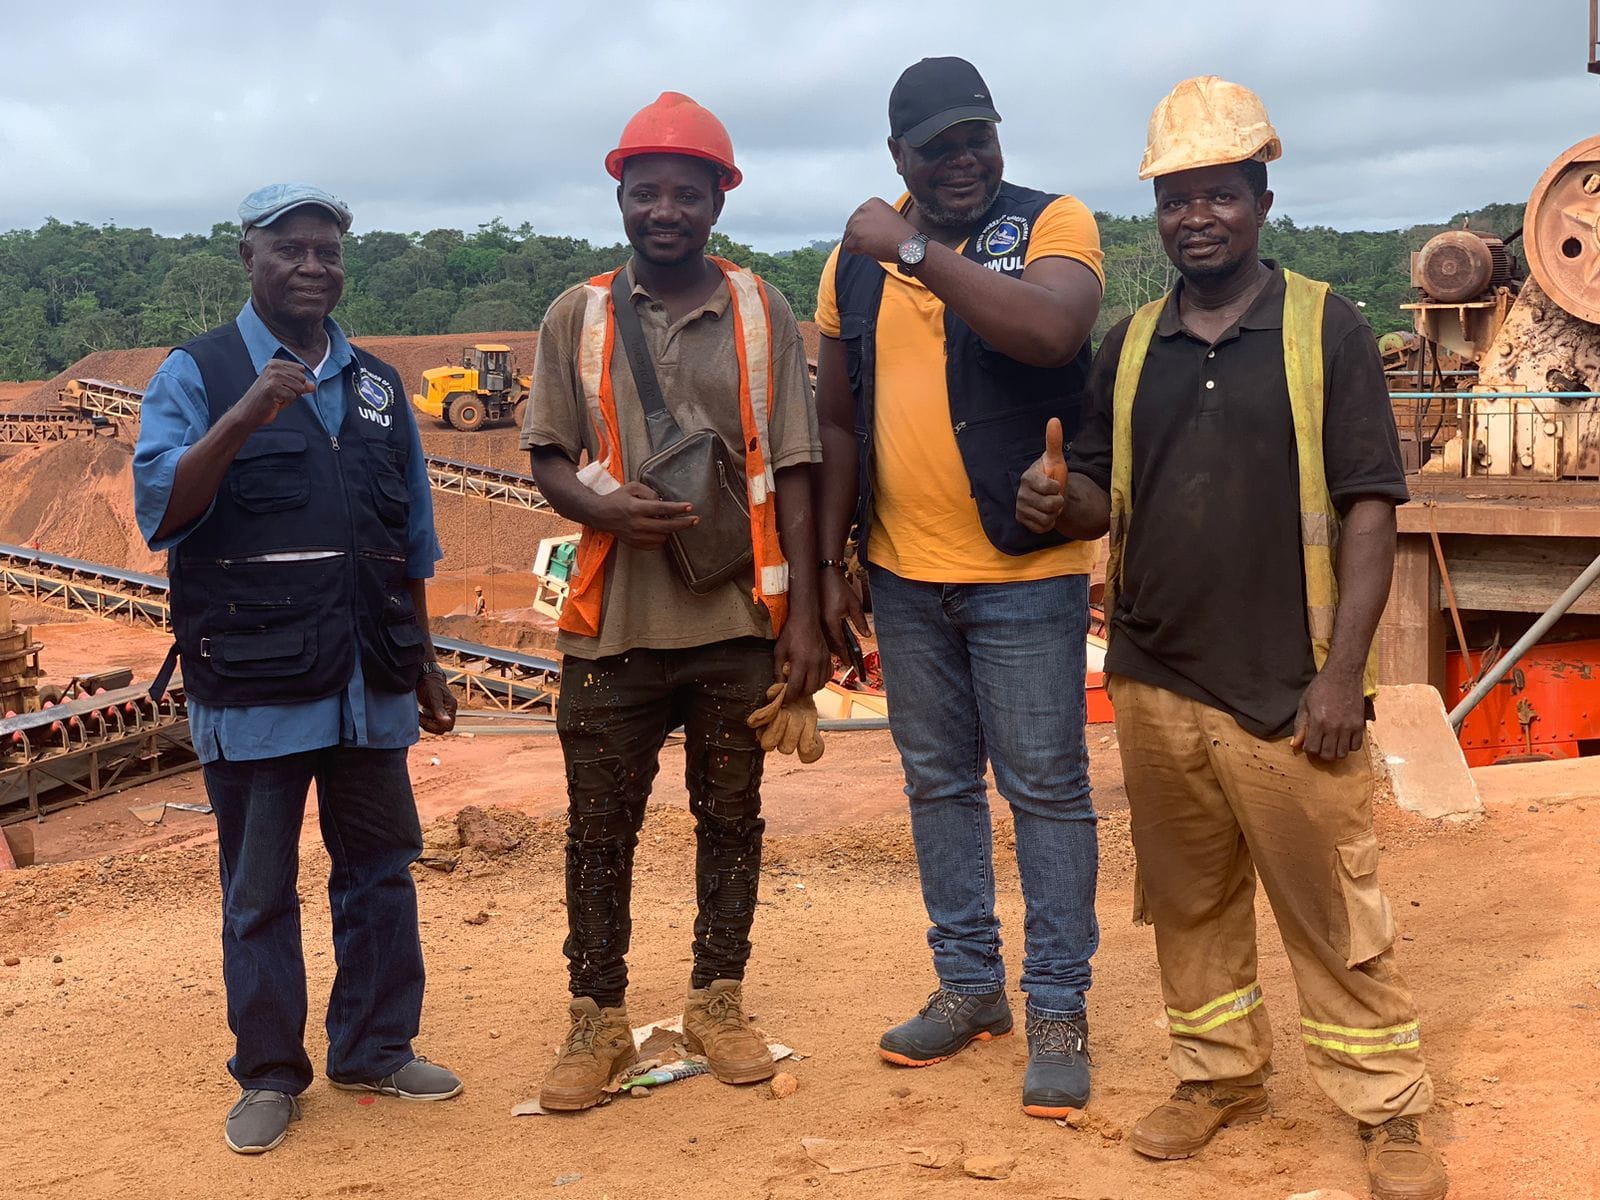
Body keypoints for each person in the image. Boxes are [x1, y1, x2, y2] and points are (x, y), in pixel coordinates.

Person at [1016, 77, 1447, 1200]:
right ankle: (1217, 1078)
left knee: (1331, 911)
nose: (1194, 216)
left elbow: (1368, 507)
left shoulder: (1323, 327)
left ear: (1260, 197)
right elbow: (1109, 494)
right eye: (1175, 199)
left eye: (1217, 194)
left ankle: (1386, 1112)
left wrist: (1342, 676)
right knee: (1189, 903)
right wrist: (1059, 505)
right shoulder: (1133, 341)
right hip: (1157, 678)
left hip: (1289, 681)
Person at [132, 184, 461, 1156]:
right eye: (292, 250)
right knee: (260, 889)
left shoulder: (377, 383)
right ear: (249, 256)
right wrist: (244, 413)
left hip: (371, 675)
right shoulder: (195, 372)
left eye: (329, 252)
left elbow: (411, 535)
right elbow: (164, 509)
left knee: (380, 870)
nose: (314, 267)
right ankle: (270, 1074)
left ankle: (375, 1045)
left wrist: (428, 664)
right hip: (255, 681)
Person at [521, 92, 827, 1112]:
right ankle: (595, 1021)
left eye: (685, 192)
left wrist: (812, 622)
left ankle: (718, 1001)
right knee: (597, 830)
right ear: (620, 196)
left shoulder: (759, 309)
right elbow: (549, 458)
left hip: (736, 625)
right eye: (645, 189)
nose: (665, 208)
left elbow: (795, 464)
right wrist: (606, 515)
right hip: (612, 626)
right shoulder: (579, 313)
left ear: (717, 201)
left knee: (730, 819)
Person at [813, 57, 1105, 1117]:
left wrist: (909, 248)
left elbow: (1048, 330)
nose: (964, 159)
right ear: (899, 156)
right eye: (937, 146)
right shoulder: (847, 266)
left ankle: (1059, 1003)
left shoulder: (1049, 224)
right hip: (901, 573)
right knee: (937, 787)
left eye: (977, 136)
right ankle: (970, 986)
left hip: (1022, 574)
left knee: (1045, 792)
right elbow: (840, 417)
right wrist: (836, 558)